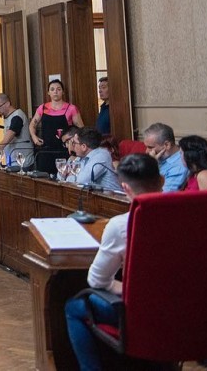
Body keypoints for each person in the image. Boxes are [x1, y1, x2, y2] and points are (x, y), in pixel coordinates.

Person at [65, 153, 162, 371]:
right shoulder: (188, 217)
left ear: (124, 187)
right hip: (186, 309)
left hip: (141, 311)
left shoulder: (121, 225)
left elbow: (96, 281)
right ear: (162, 181)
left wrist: (127, 288)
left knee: (74, 306)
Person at [28, 79, 84, 174]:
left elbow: (81, 129)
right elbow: (32, 124)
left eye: (58, 89)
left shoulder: (71, 108)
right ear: (48, 92)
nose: (55, 92)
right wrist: (34, 137)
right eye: (52, 89)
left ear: (63, 92)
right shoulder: (42, 108)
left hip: (65, 151)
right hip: (45, 150)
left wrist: (74, 146)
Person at [71, 128, 122, 192]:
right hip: (97, 195)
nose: (72, 146)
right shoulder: (82, 156)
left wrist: (70, 175)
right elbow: (67, 179)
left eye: (74, 143)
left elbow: (81, 181)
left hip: (113, 196)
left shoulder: (102, 155)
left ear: (84, 147)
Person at [0, 93, 34, 168]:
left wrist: (0, 146)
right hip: (13, 160)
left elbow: (11, 133)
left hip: (22, 160)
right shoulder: (8, 117)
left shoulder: (17, 116)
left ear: (7, 103)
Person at [142, 122, 188, 192]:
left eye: (150, 147)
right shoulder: (158, 158)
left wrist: (152, 167)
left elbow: (165, 195)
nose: (146, 151)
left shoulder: (179, 166)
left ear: (167, 145)